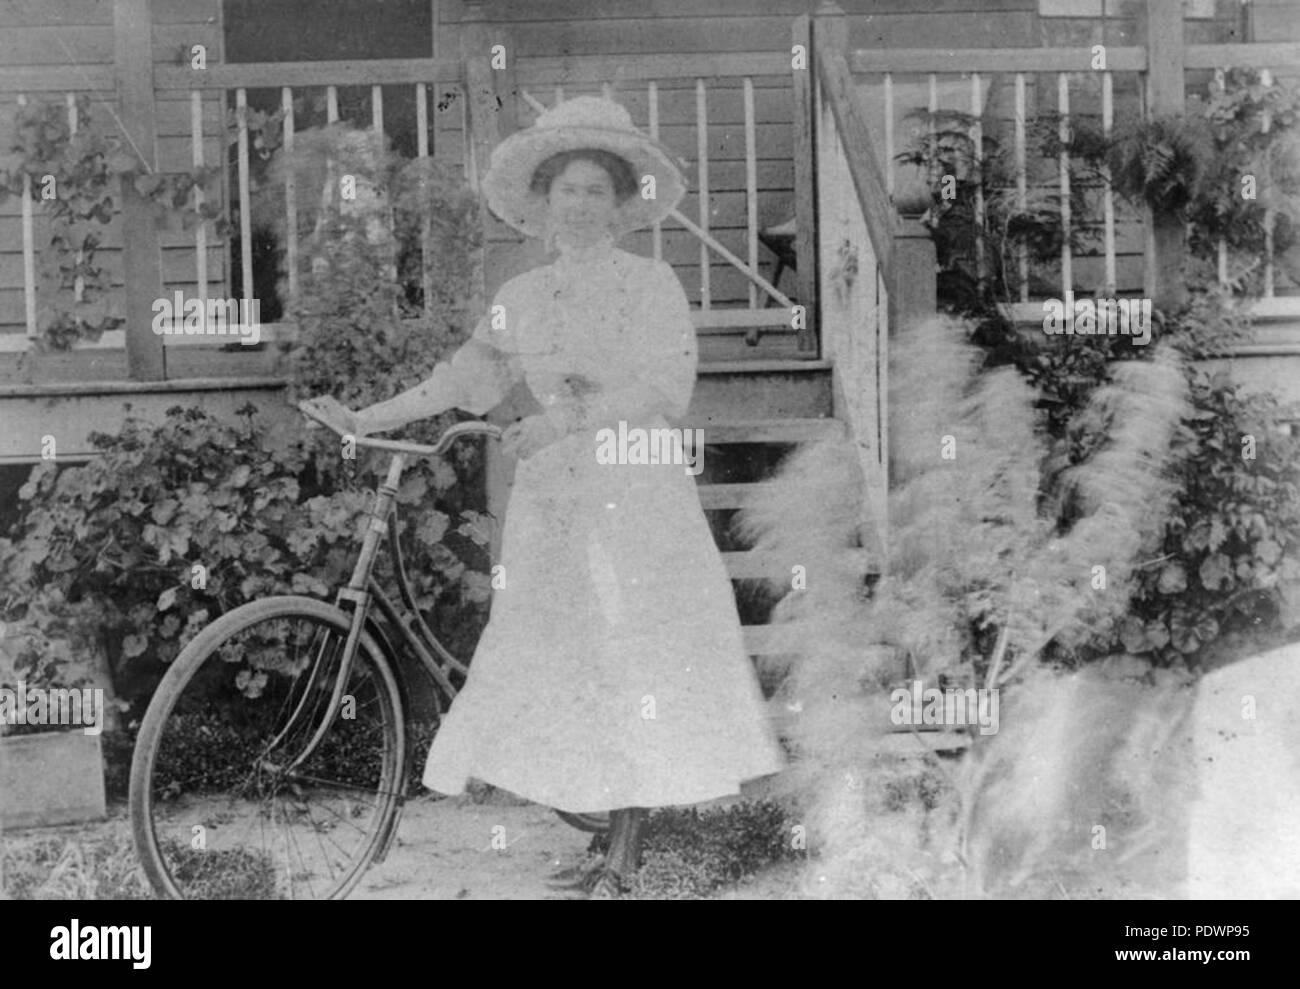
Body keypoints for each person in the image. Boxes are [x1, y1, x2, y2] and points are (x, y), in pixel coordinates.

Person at [317, 96, 784, 898]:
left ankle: (627, 856)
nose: (578, 204)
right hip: (554, 502)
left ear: (621, 203)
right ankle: (602, 830)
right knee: (566, 655)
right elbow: (463, 379)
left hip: (631, 490)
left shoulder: (651, 283)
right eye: (565, 189)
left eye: (594, 191)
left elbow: (664, 386)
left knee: (626, 654)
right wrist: (365, 417)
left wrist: (567, 419)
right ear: (543, 200)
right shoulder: (524, 293)